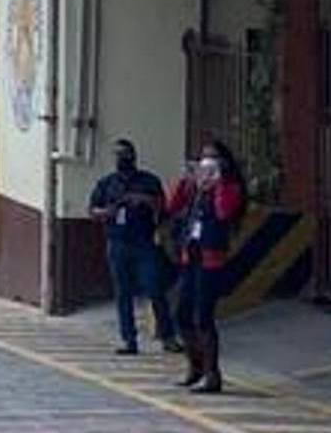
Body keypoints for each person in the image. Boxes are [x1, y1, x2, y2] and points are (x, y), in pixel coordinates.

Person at [165, 140, 250, 395]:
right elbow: (172, 206)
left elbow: (224, 214)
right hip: (190, 255)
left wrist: (219, 181)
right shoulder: (196, 189)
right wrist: (186, 180)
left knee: (203, 315)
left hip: (211, 258)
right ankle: (196, 365)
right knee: (181, 312)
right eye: (203, 158)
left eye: (212, 158)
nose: (207, 163)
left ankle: (213, 374)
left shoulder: (229, 188)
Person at [86, 140, 170, 358]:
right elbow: (92, 211)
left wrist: (144, 200)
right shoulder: (106, 183)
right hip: (117, 242)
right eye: (117, 155)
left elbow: (163, 208)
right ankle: (129, 339)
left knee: (154, 288)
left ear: (134, 155)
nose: (121, 158)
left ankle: (168, 336)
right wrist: (108, 212)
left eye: (125, 154)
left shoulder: (149, 181)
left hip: (144, 242)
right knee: (123, 292)